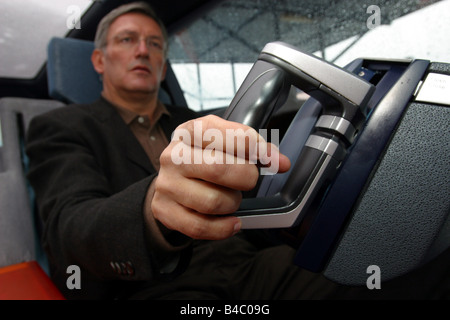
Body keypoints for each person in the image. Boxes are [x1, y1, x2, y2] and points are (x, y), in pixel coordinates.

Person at [26, 2, 449, 300]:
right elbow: (70, 230)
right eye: (127, 40)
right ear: (99, 60)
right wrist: (156, 209)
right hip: (161, 287)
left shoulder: (196, 118)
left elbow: (268, 168)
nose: (143, 51)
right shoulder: (62, 126)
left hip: (253, 261)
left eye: (155, 43)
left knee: (419, 259)